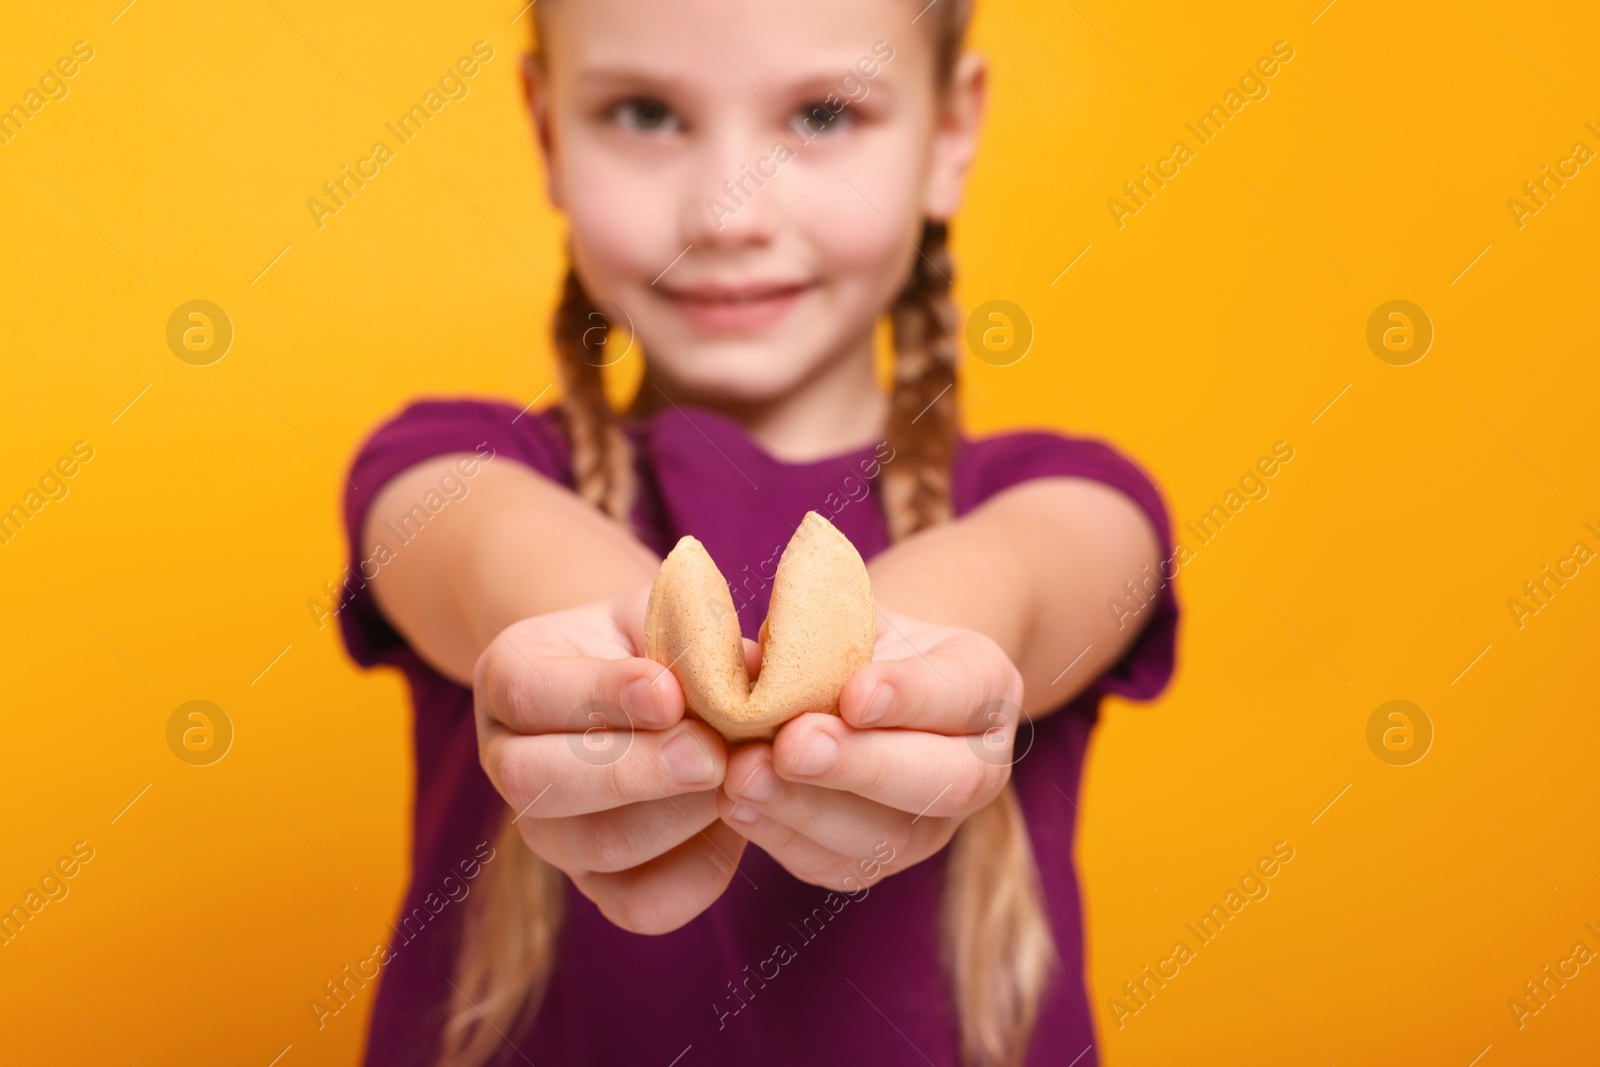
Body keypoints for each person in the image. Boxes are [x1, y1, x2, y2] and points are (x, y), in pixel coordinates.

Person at [336, 1, 1178, 1063]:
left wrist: (897, 678)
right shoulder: (456, 467)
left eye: (823, 114)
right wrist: (628, 654)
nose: (727, 212)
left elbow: (1028, 581)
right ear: (548, 131)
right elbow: (468, 545)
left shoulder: (1063, 498)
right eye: (644, 112)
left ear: (950, 135)